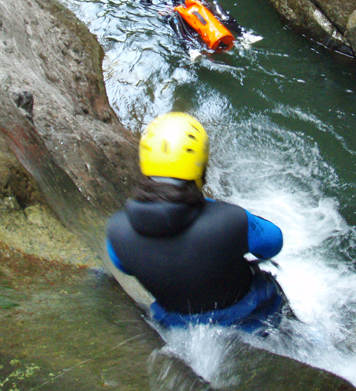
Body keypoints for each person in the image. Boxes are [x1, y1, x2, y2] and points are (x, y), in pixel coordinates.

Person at [106, 113, 289, 333]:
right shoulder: (230, 220)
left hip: (177, 327)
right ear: (200, 168)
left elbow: (123, 266)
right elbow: (273, 243)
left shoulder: (117, 232)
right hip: (252, 317)